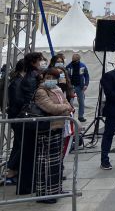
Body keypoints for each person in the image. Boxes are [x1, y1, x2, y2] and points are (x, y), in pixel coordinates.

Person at [32, 68, 73, 204]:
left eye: (53, 77)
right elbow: (50, 108)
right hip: (47, 129)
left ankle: (56, 190)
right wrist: (65, 108)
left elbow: (67, 103)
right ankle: (45, 193)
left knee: (56, 162)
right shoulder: (41, 91)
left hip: (59, 127)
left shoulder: (57, 89)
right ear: (44, 77)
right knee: (46, 162)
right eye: (48, 77)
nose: (51, 80)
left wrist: (65, 107)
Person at [15, 52, 47, 195]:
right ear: (34, 62)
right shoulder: (31, 78)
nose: (43, 62)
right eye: (40, 60)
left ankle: (29, 184)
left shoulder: (33, 76)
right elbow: (32, 100)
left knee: (30, 153)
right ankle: (26, 186)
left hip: (31, 120)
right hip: (31, 121)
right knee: (29, 153)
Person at [5, 59, 26, 186]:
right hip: (17, 117)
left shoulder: (18, 81)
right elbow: (18, 100)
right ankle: (11, 170)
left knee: (19, 144)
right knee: (20, 144)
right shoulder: (17, 82)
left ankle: (12, 170)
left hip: (17, 116)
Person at [66, 53, 89, 122]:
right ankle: (70, 116)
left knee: (81, 102)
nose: (74, 61)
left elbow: (86, 75)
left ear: (79, 59)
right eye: (73, 59)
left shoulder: (83, 66)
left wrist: (86, 84)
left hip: (80, 86)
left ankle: (80, 116)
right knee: (70, 102)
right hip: (71, 87)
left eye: (75, 60)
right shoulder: (68, 66)